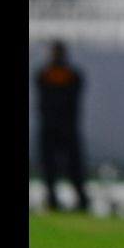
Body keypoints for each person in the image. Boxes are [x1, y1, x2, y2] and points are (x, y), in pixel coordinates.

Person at [35, 41, 89, 211]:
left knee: (74, 167)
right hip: (49, 128)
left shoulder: (71, 76)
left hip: (67, 128)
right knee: (48, 168)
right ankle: (52, 199)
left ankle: (81, 199)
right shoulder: (44, 75)